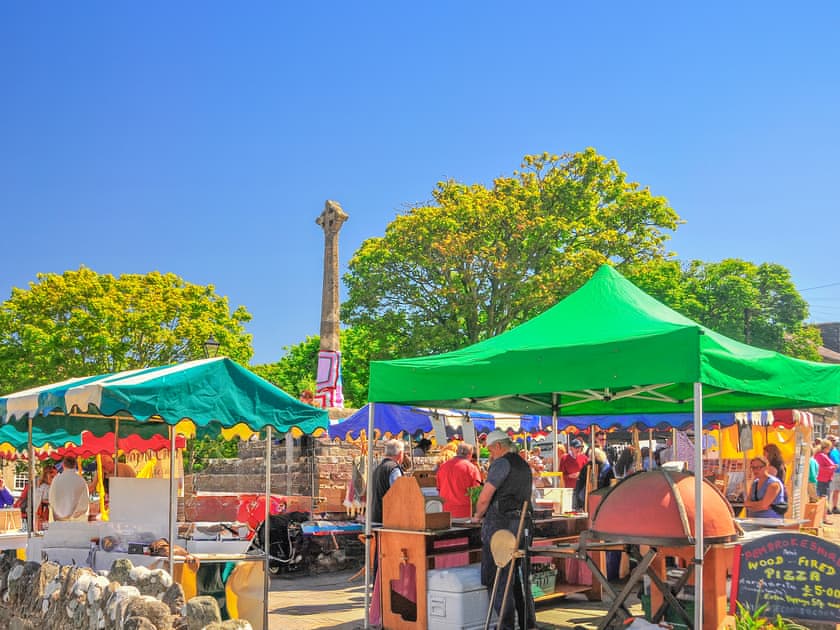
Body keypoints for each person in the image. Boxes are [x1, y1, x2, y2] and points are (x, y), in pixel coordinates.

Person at [470, 430, 535, 630]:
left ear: (498, 446)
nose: (490, 455)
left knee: (497, 577)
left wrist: (477, 515)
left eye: (490, 450)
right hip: (522, 524)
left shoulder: (501, 463)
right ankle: (527, 624)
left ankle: (505, 626)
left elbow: (485, 496)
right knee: (518, 578)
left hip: (501, 525)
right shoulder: (523, 463)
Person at [436, 442, 482, 518]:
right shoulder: (472, 468)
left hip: (446, 512)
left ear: (456, 452)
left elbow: (439, 489)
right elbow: (476, 494)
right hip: (465, 513)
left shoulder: (443, 467)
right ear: (470, 454)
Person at [369, 439, 404, 524]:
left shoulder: (377, 468)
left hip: (375, 516)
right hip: (388, 519)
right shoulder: (394, 469)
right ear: (400, 454)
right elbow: (400, 494)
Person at [49, 456, 90, 522]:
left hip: (59, 522)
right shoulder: (81, 481)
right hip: (77, 522)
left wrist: (59, 513)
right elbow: (85, 501)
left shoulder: (56, 480)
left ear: (63, 465)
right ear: (75, 465)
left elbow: (51, 499)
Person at [828, 435, 840, 514]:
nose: (833, 442)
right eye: (831, 440)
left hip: (838, 473)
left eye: (834, 440)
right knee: (829, 491)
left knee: (837, 490)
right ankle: (827, 508)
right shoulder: (826, 451)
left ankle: (834, 507)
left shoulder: (836, 450)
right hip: (831, 473)